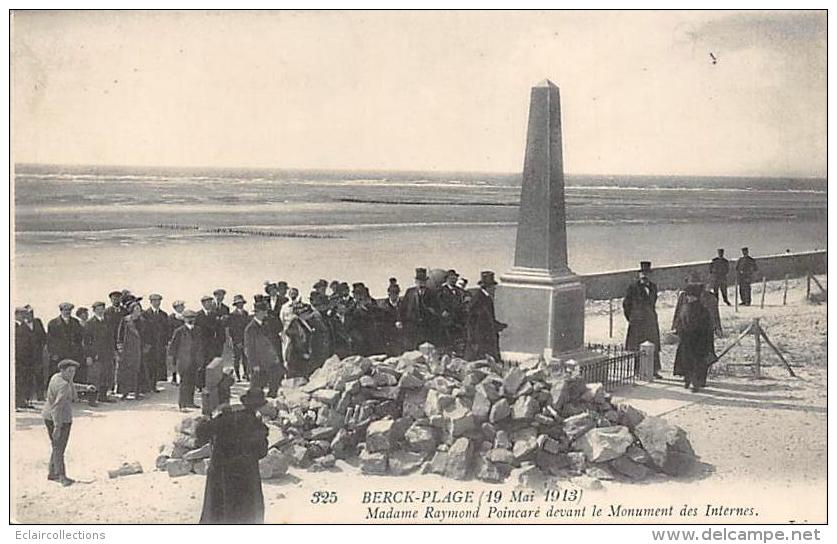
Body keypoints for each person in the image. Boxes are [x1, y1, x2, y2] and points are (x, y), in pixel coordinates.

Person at [196, 388, 269, 524]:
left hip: (221, 474)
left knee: (218, 513)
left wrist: (206, 416)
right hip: (246, 477)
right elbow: (262, 452)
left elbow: (201, 433)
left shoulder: (225, 417)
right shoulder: (258, 425)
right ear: (259, 406)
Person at [43, 359, 95, 486]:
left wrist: (85, 388)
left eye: (74, 371)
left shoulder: (57, 377)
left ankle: (52, 473)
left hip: (48, 415)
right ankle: (62, 476)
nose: (72, 374)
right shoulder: (63, 385)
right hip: (59, 418)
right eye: (70, 371)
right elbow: (57, 406)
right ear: (63, 370)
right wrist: (57, 426)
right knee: (59, 447)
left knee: (56, 446)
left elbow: (72, 384)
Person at [672, 283, 716, 392]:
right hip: (699, 340)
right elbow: (707, 326)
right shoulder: (703, 309)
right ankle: (696, 383)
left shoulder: (684, 308)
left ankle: (688, 381)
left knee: (688, 361)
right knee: (698, 362)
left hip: (687, 340)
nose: (687, 297)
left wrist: (681, 334)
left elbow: (680, 324)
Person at [623, 261, 662, 378]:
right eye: (642, 273)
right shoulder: (633, 287)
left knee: (653, 345)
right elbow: (626, 304)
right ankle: (637, 371)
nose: (645, 276)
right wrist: (632, 318)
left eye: (647, 273)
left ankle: (654, 370)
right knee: (638, 346)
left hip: (650, 321)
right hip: (637, 322)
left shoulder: (654, 287)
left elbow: (653, 303)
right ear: (639, 274)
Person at [464, 271, 507, 361]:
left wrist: (498, 325)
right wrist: (473, 339)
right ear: (488, 287)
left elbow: (489, 318)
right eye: (493, 287)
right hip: (480, 338)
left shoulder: (486, 298)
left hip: (486, 337)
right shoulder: (478, 298)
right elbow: (472, 319)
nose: (494, 289)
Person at [245, 299, 283, 398]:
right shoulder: (251, 328)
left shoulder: (266, 324)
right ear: (258, 313)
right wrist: (254, 364)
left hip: (269, 361)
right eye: (264, 311)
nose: (266, 314)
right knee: (256, 389)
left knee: (274, 384)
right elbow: (249, 349)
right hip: (258, 364)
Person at [168, 309, 203, 411]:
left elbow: (200, 346)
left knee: (192, 382)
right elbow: (173, 347)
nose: (191, 320)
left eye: (192, 318)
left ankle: (190, 402)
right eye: (188, 318)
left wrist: (200, 359)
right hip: (183, 361)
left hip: (195, 360)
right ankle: (182, 404)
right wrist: (173, 363)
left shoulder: (198, 330)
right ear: (184, 319)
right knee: (184, 383)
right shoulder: (179, 331)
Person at [401, 268, 442, 349]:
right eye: (419, 282)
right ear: (416, 282)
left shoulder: (431, 293)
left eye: (423, 282)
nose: (421, 284)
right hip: (413, 325)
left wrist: (432, 311)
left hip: (427, 326)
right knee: (414, 347)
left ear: (426, 282)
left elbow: (437, 308)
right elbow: (403, 308)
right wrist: (400, 320)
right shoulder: (410, 292)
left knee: (427, 347)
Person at [85, 301, 117, 403]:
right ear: (94, 310)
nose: (100, 311)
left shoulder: (108, 321)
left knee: (106, 375)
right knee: (95, 377)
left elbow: (112, 337)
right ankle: (92, 399)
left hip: (107, 353)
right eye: (98, 309)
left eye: (102, 309)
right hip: (96, 355)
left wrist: (114, 351)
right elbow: (86, 342)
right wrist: (88, 356)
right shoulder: (90, 323)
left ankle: (103, 396)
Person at [47, 303, 86, 381]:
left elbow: (79, 339)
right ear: (61, 311)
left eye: (69, 310)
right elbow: (50, 341)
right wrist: (53, 354)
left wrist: (79, 352)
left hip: (74, 355)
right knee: (60, 378)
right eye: (65, 310)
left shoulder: (75, 322)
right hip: (60, 356)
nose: (67, 312)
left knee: (74, 377)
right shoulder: (53, 323)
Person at [116, 301, 144, 400]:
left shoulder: (142, 321)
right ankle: (125, 393)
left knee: (137, 371)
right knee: (126, 371)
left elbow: (146, 335)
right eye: (136, 309)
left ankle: (137, 392)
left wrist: (146, 346)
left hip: (138, 349)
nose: (138, 311)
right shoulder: (125, 320)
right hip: (127, 349)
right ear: (131, 310)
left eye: (139, 309)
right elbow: (120, 335)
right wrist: (120, 347)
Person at [143, 294, 169, 389]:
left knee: (157, 364)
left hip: (160, 344)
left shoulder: (163, 315)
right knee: (149, 364)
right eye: (154, 301)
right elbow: (143, 330)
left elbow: (167, 330)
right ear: (151, 302)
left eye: (158, 301)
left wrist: (165, 343)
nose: (157, 303)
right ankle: (148, 385)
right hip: (149, 344)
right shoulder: (145, 314)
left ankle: (154, 384)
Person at [196, 295, 223, 387]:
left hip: (212, 343)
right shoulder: (198, 315)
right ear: (203, 304)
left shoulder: (215, 315)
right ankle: (200, 385)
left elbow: (219, 329)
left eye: (211, 302)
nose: (210, 304)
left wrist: (219, 342)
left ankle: (212, 383)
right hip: (202, 344)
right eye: (207, 302)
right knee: (202, 364)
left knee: (212, 363)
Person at [438, 269, 467, 353]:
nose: (454, 279)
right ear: (447, 279)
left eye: (455, 278)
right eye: (452, 278)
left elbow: (465, 297)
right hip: (447, 321)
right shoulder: (441, 291)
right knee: (448, 340)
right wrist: (443, 311)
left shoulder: (459, 291)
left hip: (458, 319)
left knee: (458, 339)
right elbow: (438, 303)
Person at [24, 305, 48, 401]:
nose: (30, 315)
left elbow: (43, 336)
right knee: (27, 376)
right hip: (26, 355)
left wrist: (44, 346)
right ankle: (27, 397)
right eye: (28, 313)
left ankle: (40, 396)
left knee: (39, 375)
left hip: (37, 354)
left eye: (31, 313)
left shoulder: (37, 322)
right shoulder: (20, 325)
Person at [377, 278, 405, 357]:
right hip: (389, 338)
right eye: (392, 293)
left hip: (402, 336)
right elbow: (382, 323)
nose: (394, 295)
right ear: (388, 294)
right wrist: (393, 325)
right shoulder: (383, 307)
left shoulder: (403, 304)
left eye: (396, 293)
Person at [15, 307, 35, 409]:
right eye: (22, 314)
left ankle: (22, 400)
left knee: (24, 379)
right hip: (17, 358)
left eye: (25, 314)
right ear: (16, 314)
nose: (24, 316)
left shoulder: (25, 327)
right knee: (16, 379)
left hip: (26, 358)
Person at [227, 295, 250, 381]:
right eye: (238, 303)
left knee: (245, 357)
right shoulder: (232, 315)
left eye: (241, 303)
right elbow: (232, 329)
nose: (240, 305)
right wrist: (237, 341)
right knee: (237, 358)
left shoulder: (246, 313)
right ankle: (237, 375)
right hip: (236, 339)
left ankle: (246, 374)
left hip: (245, 339)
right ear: (235, 305)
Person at [167, 300, 187, 384]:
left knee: (184, 360)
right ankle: (174, 377)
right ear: (175, 308)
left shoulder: (186, 317)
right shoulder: (171, 317)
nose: (181, 308)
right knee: (174, 360)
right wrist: (169, 340)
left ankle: (183, 377)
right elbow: (168, 329)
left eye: (182, 306)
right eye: (178, 307)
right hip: (175, 341)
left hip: (184, 342)